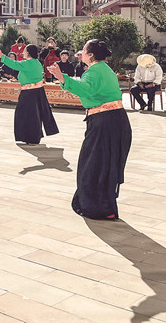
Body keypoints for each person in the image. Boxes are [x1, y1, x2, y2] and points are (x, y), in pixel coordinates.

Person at [49, 40, 131, 220]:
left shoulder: (94, 71)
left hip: (104, 123)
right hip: (115, 120)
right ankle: (106, 208)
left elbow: (85, 89)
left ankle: (98, 208)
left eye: (84, 50)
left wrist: (62, 78)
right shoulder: (105, 69)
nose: (82, 53)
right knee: (105, 165)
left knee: (93, 165)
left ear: (91, 55)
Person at [0, 44, 59, 145]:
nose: (23, 52)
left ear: (28, 52)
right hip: (37, 91)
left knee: (26, 114)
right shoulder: (36, 62)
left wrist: (1, 55)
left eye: (24, 50)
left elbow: (14, 64)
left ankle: (30, 137)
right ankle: (33, 137)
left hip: (29, 92)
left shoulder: (28, 63)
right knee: (34, 115)